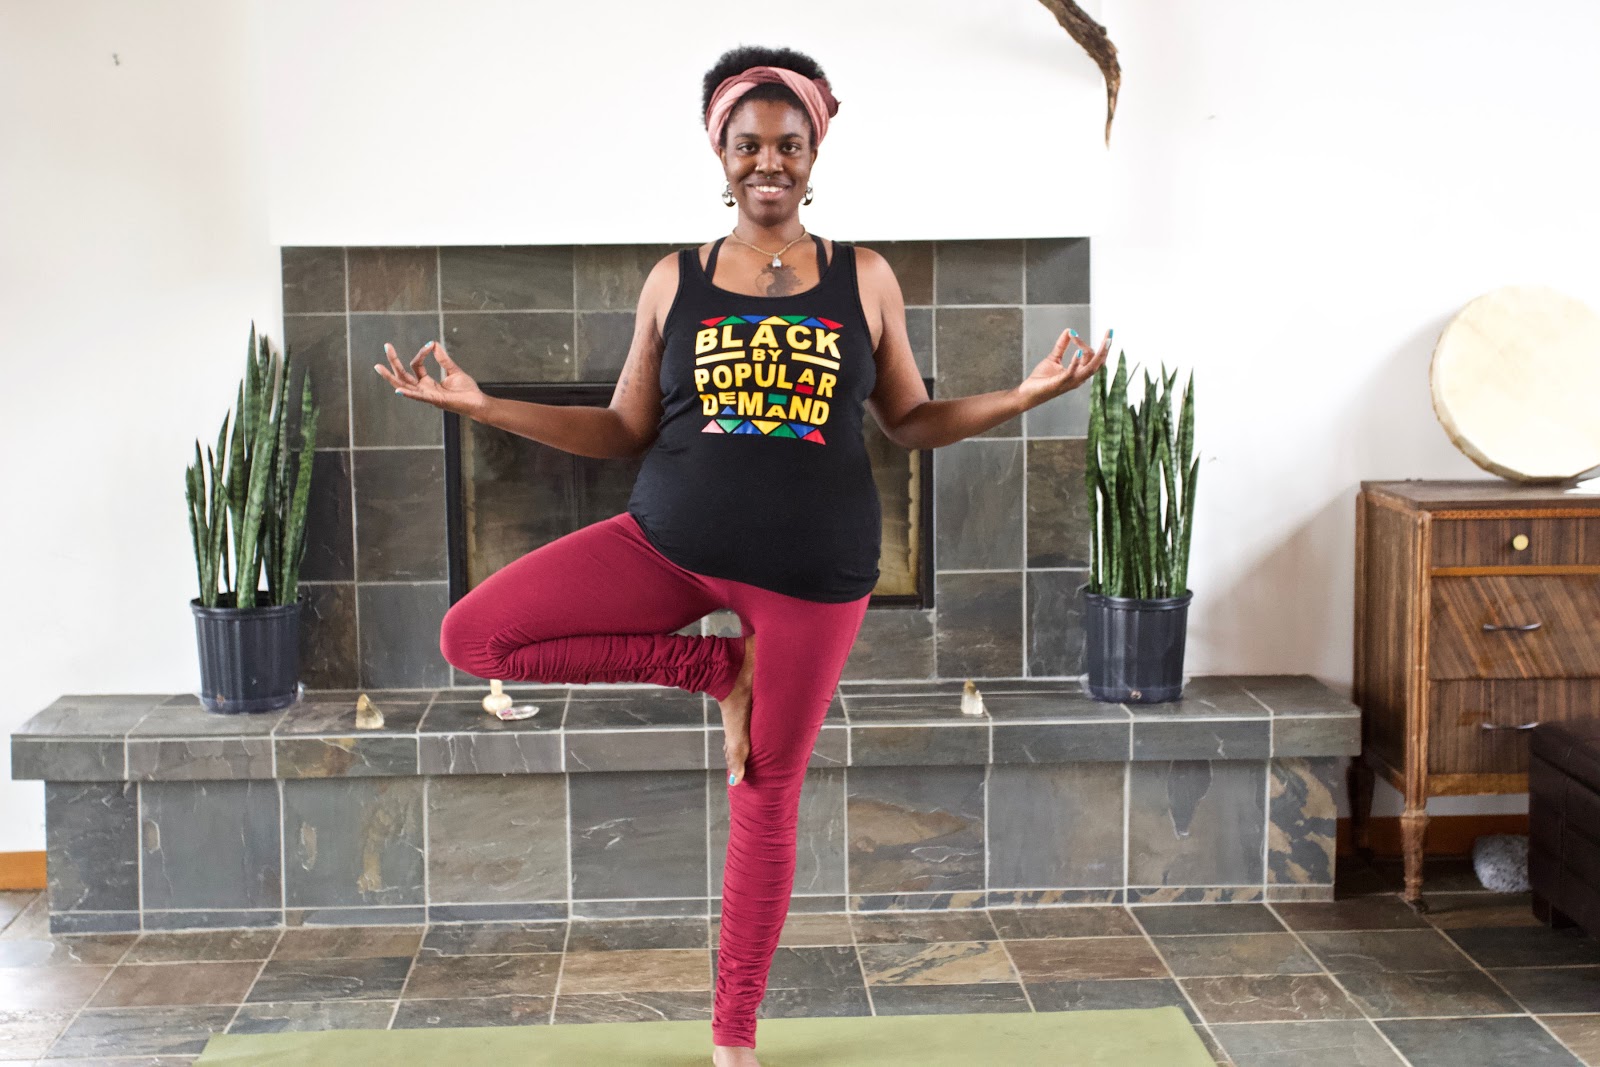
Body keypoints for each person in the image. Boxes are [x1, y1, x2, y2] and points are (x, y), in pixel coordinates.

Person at [373, 43, 1109, 1067]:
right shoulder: (674, 280)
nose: (769, 159)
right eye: (747, 142)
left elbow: (910, 421)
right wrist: (487, 405)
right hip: (667, 543)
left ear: (815, 150)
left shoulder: (868, 278)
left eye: (789, 143)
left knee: (764, 793)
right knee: (474, 633)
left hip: (814, 575)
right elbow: (624, 428)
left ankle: (732, 1036)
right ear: (718, 150)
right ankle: (712, 667)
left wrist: (1019, 398)